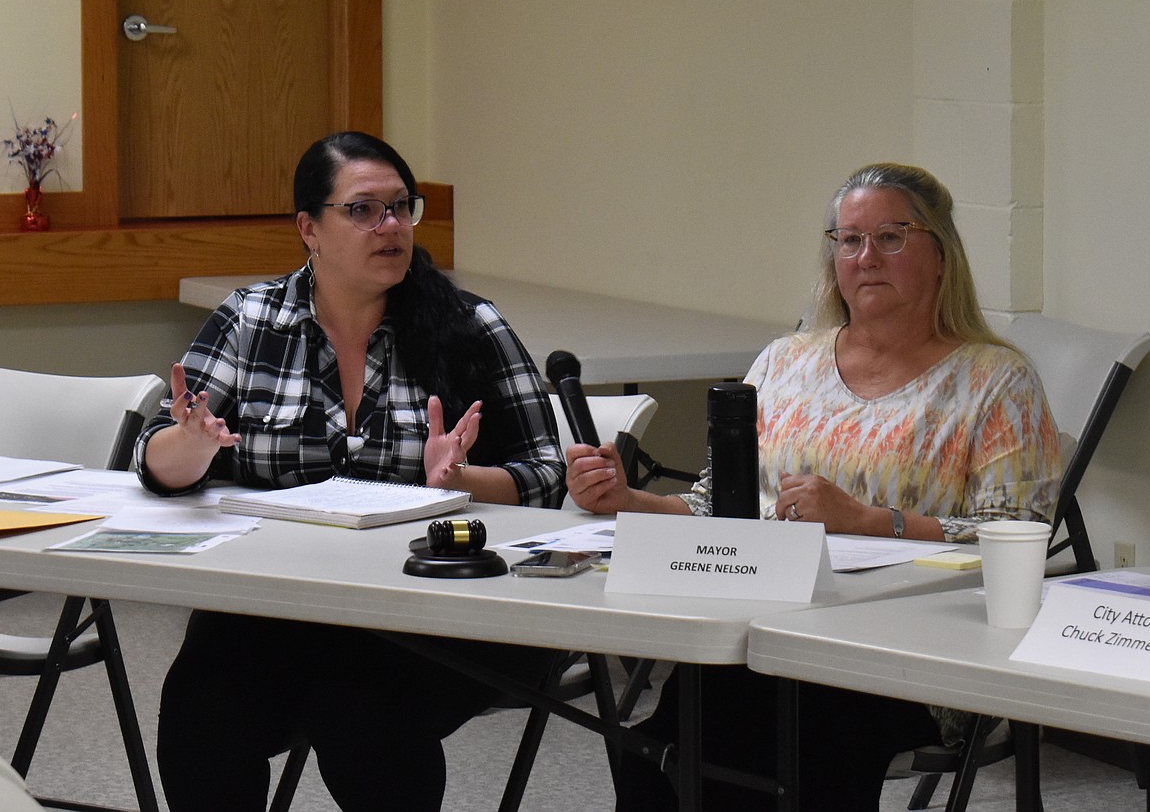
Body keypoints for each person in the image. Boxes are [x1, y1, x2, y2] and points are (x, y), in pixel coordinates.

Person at [566, 162, 1062, 810]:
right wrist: (627, 499)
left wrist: (868, 520)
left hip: (909, 646)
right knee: (670, 735)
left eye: (891, 236)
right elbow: (720, 506)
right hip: (760, 626)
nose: (865, 257)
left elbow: (1020, 538)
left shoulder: (996, 380)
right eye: (848, 240)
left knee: (792, 729)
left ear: (941, 255)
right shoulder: (785, 361)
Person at [135, 131, 565, 811]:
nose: (391, 226)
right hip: (281, 605)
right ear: (310, 227)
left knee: (363, 712)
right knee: (200, 707)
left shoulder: (469, 325)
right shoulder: (252, 321)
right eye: (363, 210)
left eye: (401, 207)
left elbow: (547, 474)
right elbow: (157, 460)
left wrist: (460, 485)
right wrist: (192, 445)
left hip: (436, 611)